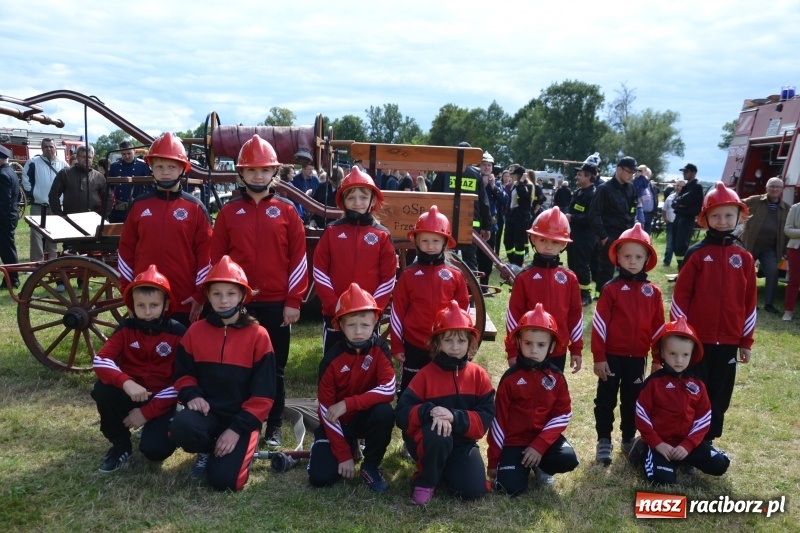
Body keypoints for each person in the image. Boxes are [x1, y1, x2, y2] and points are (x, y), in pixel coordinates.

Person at [211, 134, 308, 450]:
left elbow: (298, 259)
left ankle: (275, 426)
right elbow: (218, 260)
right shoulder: (228, 212)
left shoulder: (287, 211)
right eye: (251, 170)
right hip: (238, 305)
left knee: (275, 368)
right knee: (238, 366)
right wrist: (221, 300)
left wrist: (293, 301)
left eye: (263, 170)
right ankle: (242, 422)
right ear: (241, 173)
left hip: (277, 304)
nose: (257, 175)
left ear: (273, 173)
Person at [170, 256, 276, 492]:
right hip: (209, 414)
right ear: (207, 296)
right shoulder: (195, 331)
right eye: (216, 294)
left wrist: (237, 429)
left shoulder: (259, 335)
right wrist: (192, 395)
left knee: (226, 483)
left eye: (230, 293)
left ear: (241, 296)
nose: (223, 300)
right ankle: (207, 450)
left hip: (242, 419)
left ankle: (243, 441)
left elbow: (265, 395)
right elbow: (181, 373)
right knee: (181, 426)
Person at [670, 183, 756, 445]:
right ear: (705, 218)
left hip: (729, 341)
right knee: (692, 389)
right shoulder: (696, 254)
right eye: (716, 215)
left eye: (729, 215)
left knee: (719, 392)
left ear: (740, 217)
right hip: (696, 341)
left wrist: (746, 341)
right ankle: (684, 437)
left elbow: (750, 302)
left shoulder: (744, 257)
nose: (722, 221)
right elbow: (680, 297)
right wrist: (680, 334)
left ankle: (707, 441)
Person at [396, 301, 495, 505]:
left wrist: (453, 416)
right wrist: (429, 411)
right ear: (437, 343)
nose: (455, 347)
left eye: (461, 341)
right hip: (430, 441)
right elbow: (402, 415)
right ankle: (425, 480)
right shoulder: (425, 375)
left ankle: (446, 470)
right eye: (448, 340)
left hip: (463, 443)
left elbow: (485, 419)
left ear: (470, 343)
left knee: (472, 491)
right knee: (439, 432)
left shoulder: (479, 376)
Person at [91, 265, 185, 473]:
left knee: (154, 451)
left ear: (166, 304)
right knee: (103, 390)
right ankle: (120, 445)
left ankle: (170, 422)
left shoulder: (178, 332)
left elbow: (183, 379)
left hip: (162, 398)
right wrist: (126, 382)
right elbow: (100, 360)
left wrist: (146, 413)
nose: (148, 311)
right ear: (132, 305)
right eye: (141, 305)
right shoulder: (126, 328)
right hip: (131, 392)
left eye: (154, 305)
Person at [118, 132, 213, 328]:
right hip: (145, 298)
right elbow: (126, 250)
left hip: (184, 299)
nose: (166, 172)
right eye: (159, 166)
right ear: (151, 168)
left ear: (183, 169)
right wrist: (128, 291)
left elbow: (206, 255)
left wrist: (199, 295)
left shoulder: (195, 208)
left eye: (172, 166)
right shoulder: (138, 206)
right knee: (144, 354)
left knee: (182, 355)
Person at [308, 283, 396, 493]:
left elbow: (389, 388)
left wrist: (348, 404)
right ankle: (350, 448)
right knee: (320, 478)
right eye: (351, 325)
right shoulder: (331, 360)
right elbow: (326, 409)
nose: (358, 332)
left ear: (375, 322)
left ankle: (371, 466)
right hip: (337, 423)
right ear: (339, 325)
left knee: (384, 412)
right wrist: (343, 455)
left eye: (365, 325)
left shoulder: (380, 349)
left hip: (364, 418)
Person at [592, 222, 664, 465]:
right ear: (618, 258)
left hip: (638, 359)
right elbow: (600, 325)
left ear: (647, 259)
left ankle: (627, 438)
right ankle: (604, 440)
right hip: (611, 357)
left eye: (638, 256)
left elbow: (658, 329)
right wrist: (599, 357)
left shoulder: (653, 292)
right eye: (627, 256)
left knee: (632, 400)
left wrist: (657, 359)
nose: (632, 261)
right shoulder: (611, 290)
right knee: (605, 399)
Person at [489, 303, 579, 494]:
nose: (534, 350)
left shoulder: (557, 378)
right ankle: (516, 467)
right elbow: (498, 422)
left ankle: (543, 467)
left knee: (568, 458)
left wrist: (539, 445)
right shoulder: (509, 379)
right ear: (519, 342)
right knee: (510, 489)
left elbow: (563, 414)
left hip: (542, 440)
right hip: (514, 443)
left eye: (541, 345)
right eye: (528, 343)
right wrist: (494, 461)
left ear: (552, 346)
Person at [628, 317, 731, 485]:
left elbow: (703, 417)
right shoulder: (653, 383)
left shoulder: (698, 385)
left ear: (693, 355)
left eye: (685, 355)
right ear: (662, 352)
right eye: (672, 354)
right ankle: (643, 447)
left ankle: (681, 459)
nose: (679, 360)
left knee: (720, 465)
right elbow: (641, 414)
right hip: (661, 443)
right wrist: (657, 443)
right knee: (663, 480)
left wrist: (687, 446)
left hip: (687, 444)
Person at [313, 166, 396, 356]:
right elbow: (319, 270)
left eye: (363, 197)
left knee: (367, 363)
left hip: (368, 314)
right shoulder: (332, 231)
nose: (357, 202)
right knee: (334, 359)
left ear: (373, 200)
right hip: (334, 312)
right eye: (351, 198)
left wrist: (374, 308)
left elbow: (388, 276)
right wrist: (335, 304)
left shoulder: (382, 235)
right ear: (343, 201)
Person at [390, 205, 469, 396]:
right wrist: (398, 345)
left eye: (435, 240)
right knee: (411, 390)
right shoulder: (408, 275)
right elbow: (397, 312)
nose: (430, 245)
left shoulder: (455, 275)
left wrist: (462, 343)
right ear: (416, 241)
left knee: (444, 388)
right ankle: (410, 421)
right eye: (424, 240)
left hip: (445, 344)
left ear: (445, 242)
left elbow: (463, 312)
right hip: (414, 344)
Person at [505, 207, 583, 374]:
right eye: (543, 240)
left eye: (555, 242)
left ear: (564, 244)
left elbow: (575, 314)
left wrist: (576, 348)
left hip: (558, 350)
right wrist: (512, 350)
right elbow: (513, 314)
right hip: (529, 347)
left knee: (552, 393)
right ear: (533, 238)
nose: (548, 246)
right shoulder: (524, 277)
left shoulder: (570, 278)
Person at [430, 142, 492, 273]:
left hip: (446, 225)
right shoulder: (476, 175)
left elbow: (433, 196)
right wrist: (487, 227)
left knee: (444, 258)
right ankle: (471, 288)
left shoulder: (444, 173)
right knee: (470, 261)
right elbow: (484, 204)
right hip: (470, 227)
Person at [587, 156, 637, 296]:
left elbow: (633, 209)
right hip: (609, 235)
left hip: (626, 235)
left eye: (633, 173)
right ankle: (601, 296)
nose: (631, 176)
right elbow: (593, 214)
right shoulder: (604, 189)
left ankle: (622, 296)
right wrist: (603, 237)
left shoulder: (631, 188)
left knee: (627, 268)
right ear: (619, 169)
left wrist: (633, 230)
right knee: (606, 270)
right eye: (629, 172)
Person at [740, 177, 789, 314]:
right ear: (766, 188)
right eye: (772, 186)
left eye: (778, 187)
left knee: (773, 272)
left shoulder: (786, 208)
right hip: (751, 244)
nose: (774, 189)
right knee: (746, 274)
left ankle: (769, 304)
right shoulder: (755, 200)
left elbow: (787, 230)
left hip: (771, 249)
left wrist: (785, 249)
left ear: (781, 190)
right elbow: (737, 205)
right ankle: (744, 302)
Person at [22, 138, 67, 261]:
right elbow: (26, 180)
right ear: (42, 148)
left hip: (56, 206)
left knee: (53, 234)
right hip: (38, 204)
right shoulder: (33, 162)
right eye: (46, 147)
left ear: (55, 148)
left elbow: (68, 183)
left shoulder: (63, 165)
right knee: (35, 234)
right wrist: (34, 194)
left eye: (51, 146)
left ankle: (52, 262)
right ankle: (37, 262)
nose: (49, 149)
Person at [566, 161, 599, 306]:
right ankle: (574, 291)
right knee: (572, 263)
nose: (577, 177)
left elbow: (591, 218)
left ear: (589, 177)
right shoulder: (579, 192)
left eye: (580, 174)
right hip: (574, 234)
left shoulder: (593, 194)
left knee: (582, 265)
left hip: (586, 236)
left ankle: (585, 294)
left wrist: (572, 218)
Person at [48, 145, 109, 217]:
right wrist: (60, 215)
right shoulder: (65, 174)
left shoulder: (99, 177)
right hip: (70, 218)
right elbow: (53, 195)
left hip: (93, 218)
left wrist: (102, 216)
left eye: (89, 157)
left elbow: (108, 197)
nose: (86, 159)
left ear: (93, 158)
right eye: (83, 157)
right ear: (77, 157)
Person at [478, 152, 506, 288]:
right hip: (477, 224)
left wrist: (493, 186)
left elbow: (504, 200)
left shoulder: (497, 183)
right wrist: (481, 186)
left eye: (489, 165)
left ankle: (484, 285)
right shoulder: (475, 179)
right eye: (484, 165)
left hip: (491, 226)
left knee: (488, 257)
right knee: (475, 256)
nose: (487, 167)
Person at [108, 140, 152, 223]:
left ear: (134, 151)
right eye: (123, 154)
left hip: (138, 207)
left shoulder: (142, 166)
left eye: (129, 153)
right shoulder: (114, 167)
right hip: (119, 210)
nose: (126, 156)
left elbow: (150, 187)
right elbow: (109, 189)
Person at [671, 163, 704, 270]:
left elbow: (684, 200)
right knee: (676, 244)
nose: (684, 173)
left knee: (681, 244)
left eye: (686, 171)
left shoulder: (697, 187)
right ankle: (681, 266)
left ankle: (685, 268)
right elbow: (674, 202)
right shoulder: (685, 187)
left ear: (693, 173)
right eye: (683, 171)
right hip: (679, 217)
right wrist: (680, 203)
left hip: (687, 219)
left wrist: (680, 203)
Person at [503, 166, 534, 266]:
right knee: (507, 240)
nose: (512, 176)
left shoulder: (527, 185)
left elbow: (524, 196)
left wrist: (521, 181)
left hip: (521, 217)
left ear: (520, 175)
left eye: (514, 174)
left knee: (519, 241)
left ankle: (518, 263)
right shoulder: (515, 185)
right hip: (512, 215)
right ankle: (512, 260)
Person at [0, 146, 20, 289]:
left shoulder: (2, 174)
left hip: (4, 218)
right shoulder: (10, 172)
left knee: (7, 250)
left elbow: (3, 202)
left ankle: (12, 279)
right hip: (10, 216)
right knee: (7, 249)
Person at [783, 200, 800, 321]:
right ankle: (788, 311)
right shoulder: (795, 208)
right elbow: (787, 230)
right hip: (796, 249)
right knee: (794, 280)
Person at [661, 179, 684, 266]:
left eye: (680, 186)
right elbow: (664, 209)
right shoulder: (670, 197)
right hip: (670, 224)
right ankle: (667, 262)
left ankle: (681, 263)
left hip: (681, 225)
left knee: (680, 244)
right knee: (669, 244)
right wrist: (665, 219)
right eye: (677, 185)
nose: (678, 187)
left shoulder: (686, 198)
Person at [633, 165, 657, 233]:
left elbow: (654, 198)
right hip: (640, 209)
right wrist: (637, 176)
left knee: (647, 232)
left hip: (650, 213)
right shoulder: (636, 180)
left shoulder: (651, 185)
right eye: (639, 170)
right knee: (640, 228)